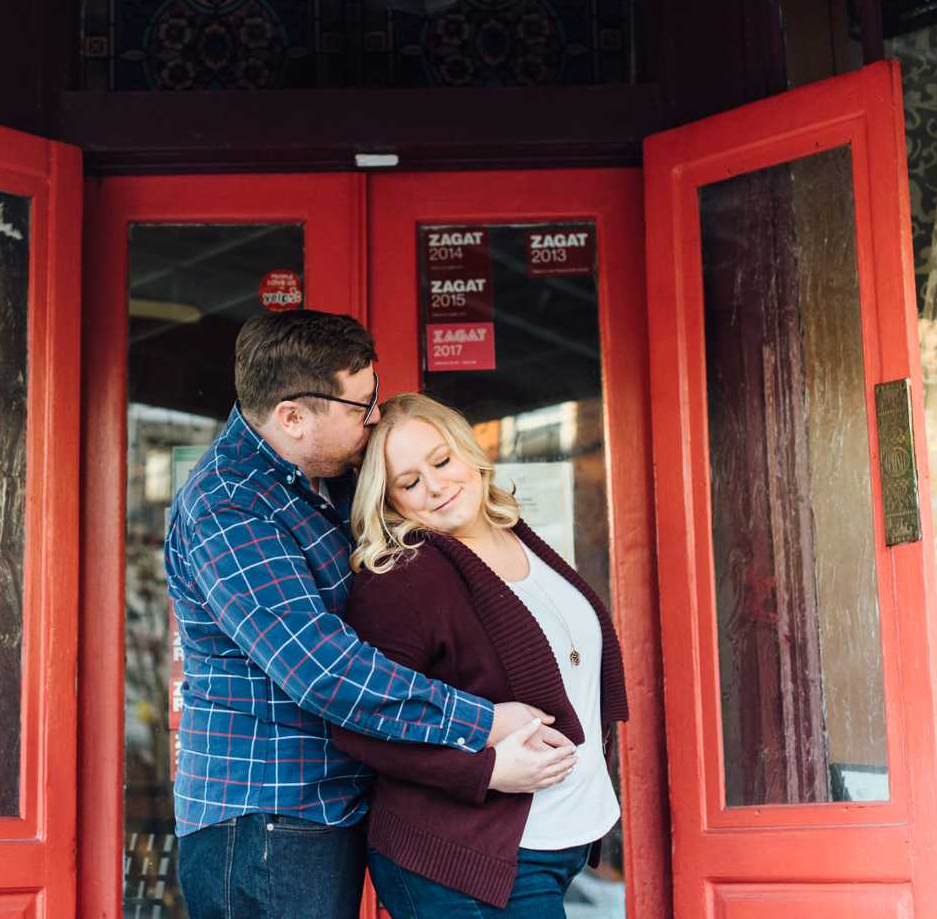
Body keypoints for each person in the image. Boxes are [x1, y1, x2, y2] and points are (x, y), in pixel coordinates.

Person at [165, 311, 574, 919]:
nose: (374, 415)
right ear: (293, 418)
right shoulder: (229, 505)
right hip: (267, 818)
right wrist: (482, 724)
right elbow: (321, 668)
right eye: (360, 405)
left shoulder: (318, 478)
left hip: (327, 807)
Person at [330, 392, 629, 918]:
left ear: (468, 451)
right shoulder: (404, 579)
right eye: (409, 482)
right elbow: (357, 725)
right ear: (392, 501)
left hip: (554, 842)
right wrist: (484, 770)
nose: (436, 486)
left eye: (441, 461)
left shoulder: (516, 536)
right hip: (463, 858)